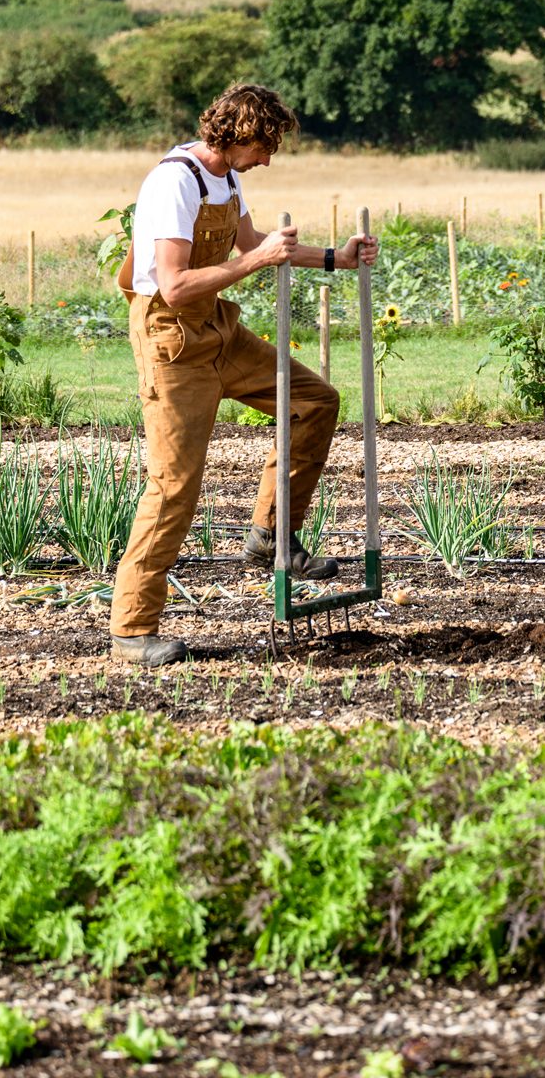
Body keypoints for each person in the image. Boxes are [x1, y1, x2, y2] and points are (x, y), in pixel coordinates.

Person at [110, 83, 379, 667]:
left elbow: (256, 244)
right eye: (265, 144)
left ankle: (271, 535)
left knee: (314, 400)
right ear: (236, 135)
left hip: (216, 329)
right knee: (175, 485)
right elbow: (176, 283)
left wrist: (337, 257)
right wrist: (257, 261)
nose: (268, 157)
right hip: (171, 339)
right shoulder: (174, 182)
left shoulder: (224, 178)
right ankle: (132, 629)